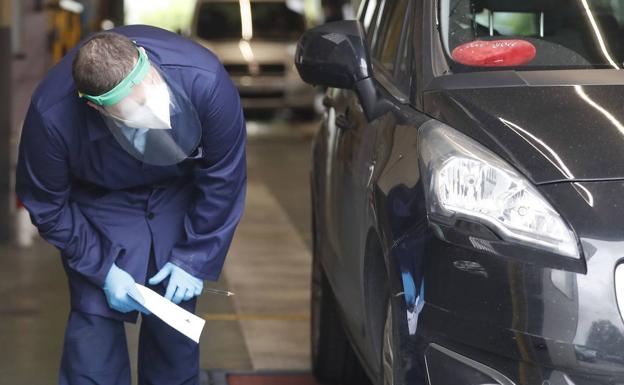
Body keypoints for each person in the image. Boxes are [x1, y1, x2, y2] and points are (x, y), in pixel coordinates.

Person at [15, 25, 246, 385]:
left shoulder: (206, 80)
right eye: (135, 107)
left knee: (174, 326)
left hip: (175, 190)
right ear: (96, 106)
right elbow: (48, 206)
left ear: (148, 63)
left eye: (150, 90)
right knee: (94, 336)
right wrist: (103, 268)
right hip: (98, 201)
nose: (151, 108)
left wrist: (195, 257)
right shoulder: (52, 117)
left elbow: (224, 176)